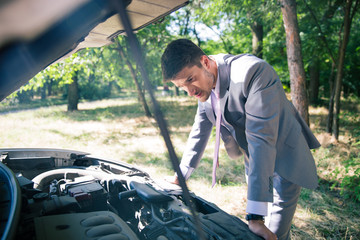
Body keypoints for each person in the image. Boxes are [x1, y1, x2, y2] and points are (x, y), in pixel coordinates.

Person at [160, 39, 320, 240]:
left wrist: (254, 217)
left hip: (284, 155)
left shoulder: (253, 73)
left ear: (205, 62)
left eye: (190, 80)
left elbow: (261, 140)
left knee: (275, 233)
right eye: (182, 86)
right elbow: (199, 130)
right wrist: (180, 176)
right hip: (253, 161)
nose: (190, 92)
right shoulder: (205, 83)